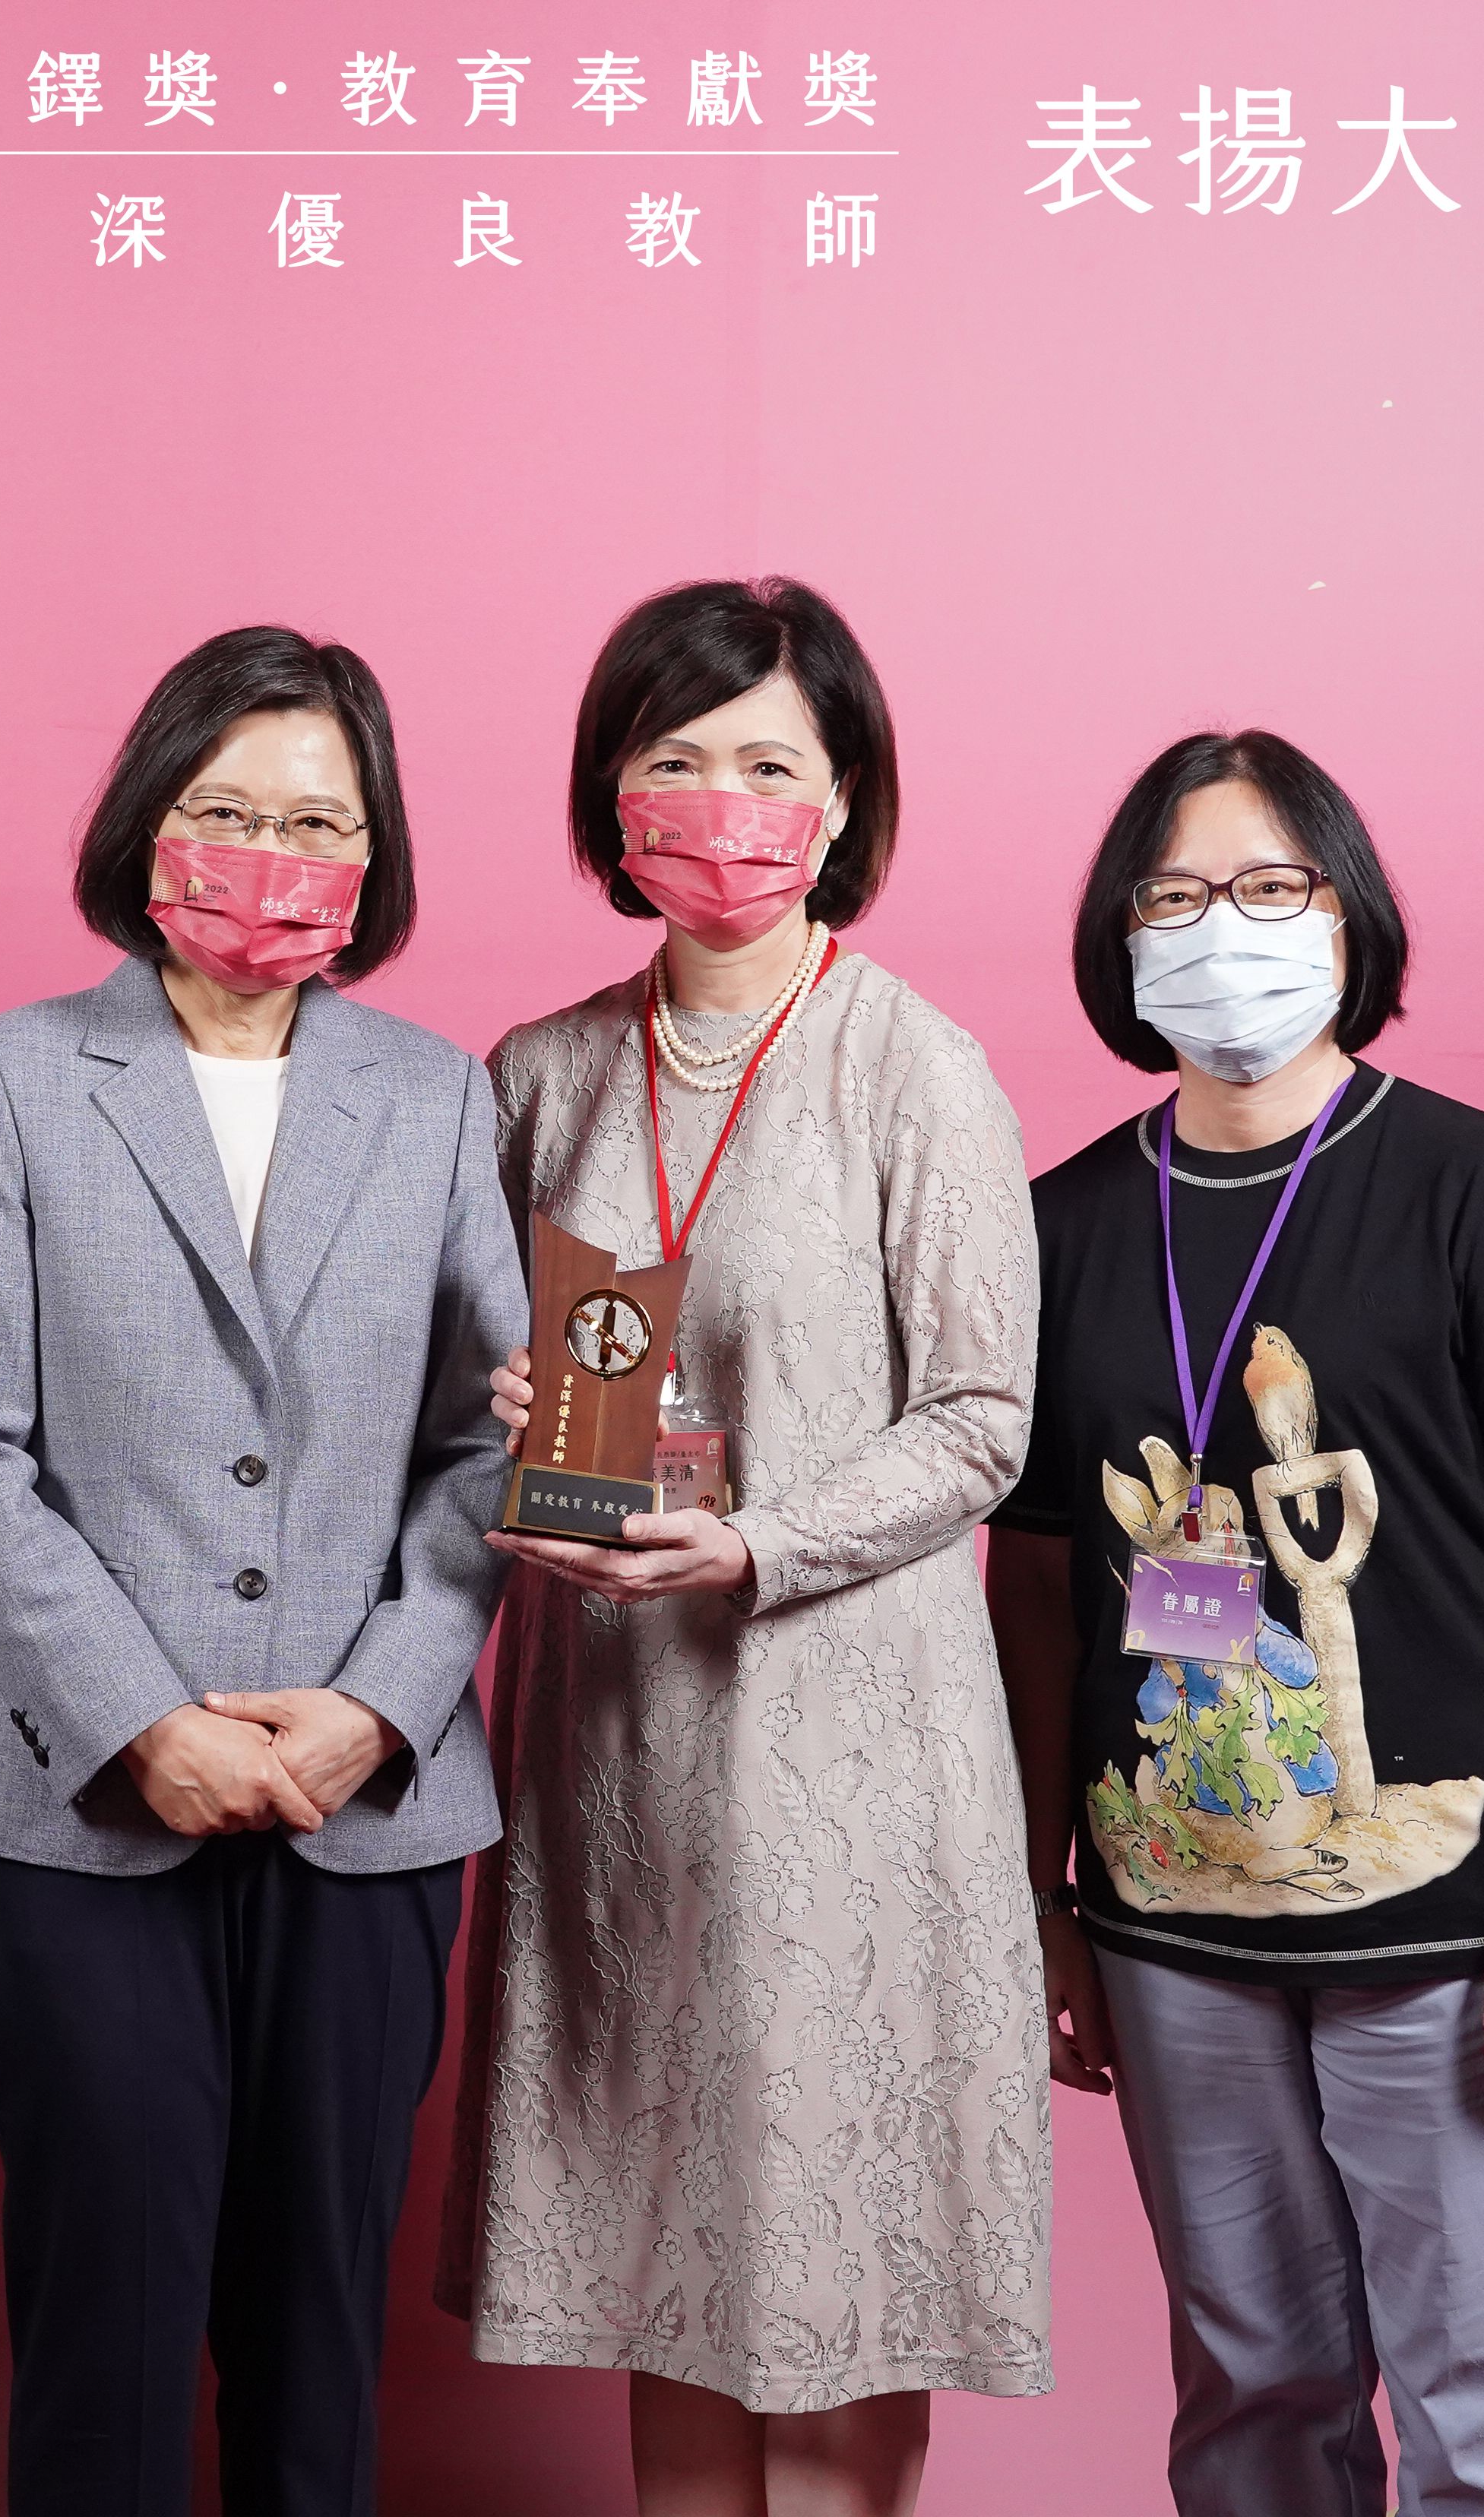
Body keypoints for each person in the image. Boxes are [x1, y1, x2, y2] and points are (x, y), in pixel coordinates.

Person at [987, 730, 1484, 2517]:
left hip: (1460, 1934)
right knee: (1250, 2402)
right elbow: (1035, 1593)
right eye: (1177, 894)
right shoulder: (1059, 1225)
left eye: (1271, 886)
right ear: (1121, 938)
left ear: (1348, 915)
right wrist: (1048, 1899)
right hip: (1173, 1933)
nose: (1225, 927)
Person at [0, 626, 520, 2517]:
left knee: (318, 2333)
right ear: (148, 825)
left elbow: (490, 1440)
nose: (271, 852)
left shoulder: (438, 1093)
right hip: (77, 1798)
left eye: (318, 819)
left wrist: (376, 1706)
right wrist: (143, 1719)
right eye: (227, 808)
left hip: (366, 1807)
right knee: (106, 2321)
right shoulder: (13, 1076)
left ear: (374, 852)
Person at [440, 577, 1047, 2517]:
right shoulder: (536, 1072)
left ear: (845, 801)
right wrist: (507, 1411)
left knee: (842, 2258)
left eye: (775, 765)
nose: (728, 802)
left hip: (849, 1743)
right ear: (611, 798)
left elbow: (984, 1417)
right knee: (666, 2248)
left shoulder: (911, 1063)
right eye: (680, 757)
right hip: (616, 1747)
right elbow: (475, 1385)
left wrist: (757, 1538)